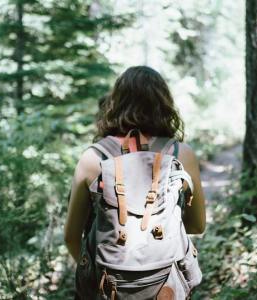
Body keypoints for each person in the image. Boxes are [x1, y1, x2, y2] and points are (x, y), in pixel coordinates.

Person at [64, 66, 206, 299]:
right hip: (166, 286)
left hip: (108, 286)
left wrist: (97, 269)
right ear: (164, 104)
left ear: (115, 103)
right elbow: (197, 226)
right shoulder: (181, 154)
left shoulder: (93, 158)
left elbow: (71, 236)